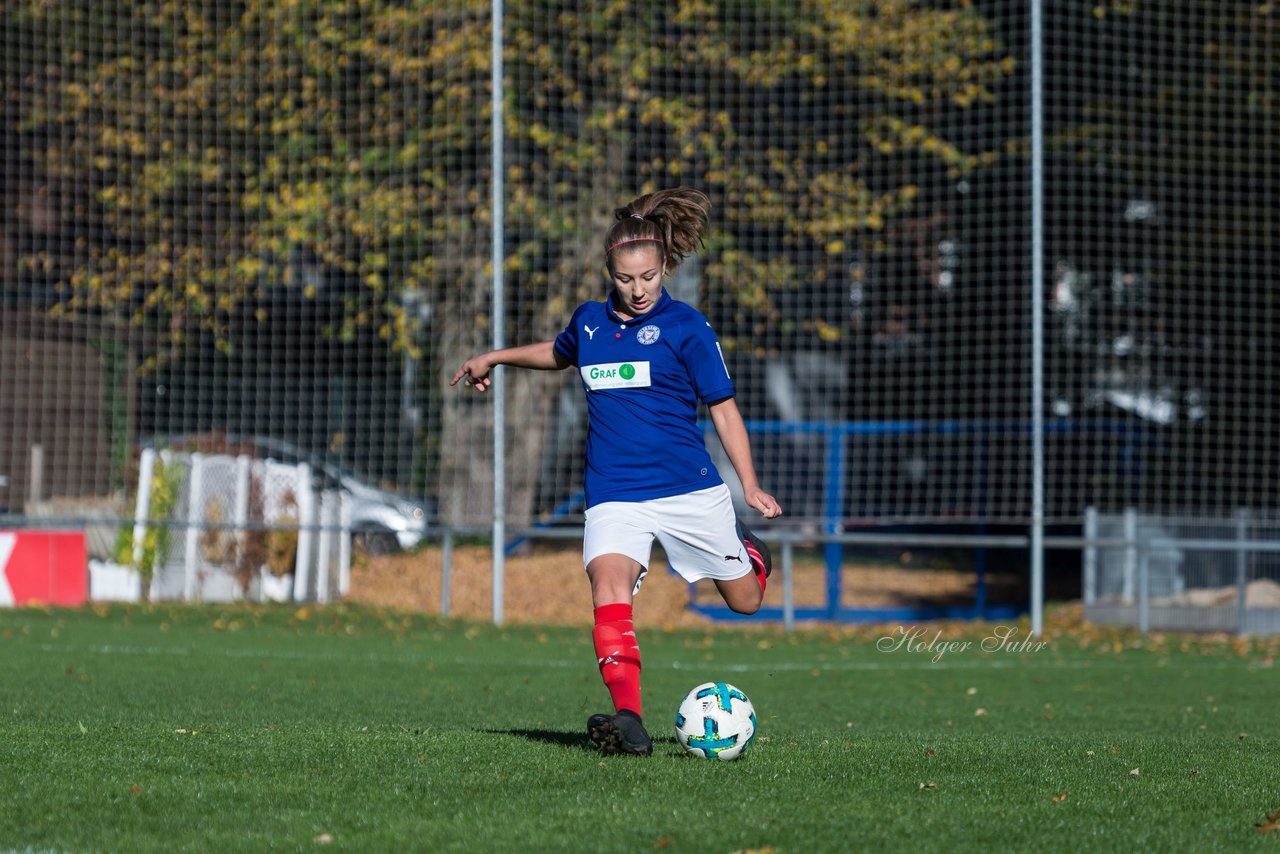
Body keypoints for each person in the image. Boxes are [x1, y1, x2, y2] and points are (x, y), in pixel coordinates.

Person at [451, 187, 782, 756]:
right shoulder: (590, 323)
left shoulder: (688, 328)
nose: (639, 289)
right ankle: (628, 719)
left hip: (688, 488)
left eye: (650, 277)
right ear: (610, 271)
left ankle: (748, 553)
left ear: (665, 267)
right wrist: (496, 357)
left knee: (746, 602)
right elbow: (558, 354)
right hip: (613, 493)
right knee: (607, 588)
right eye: (627, 279)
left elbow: (724, 410)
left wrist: (748, 484)